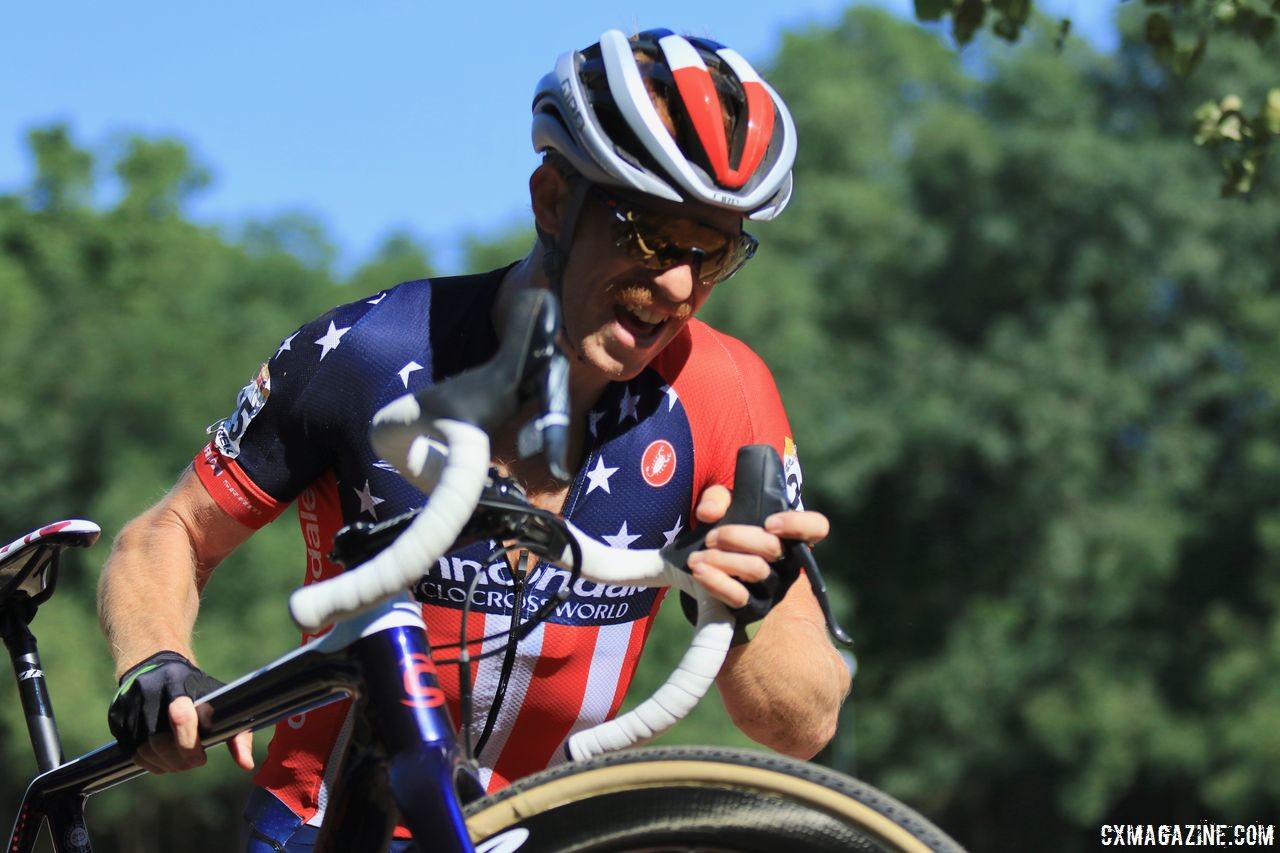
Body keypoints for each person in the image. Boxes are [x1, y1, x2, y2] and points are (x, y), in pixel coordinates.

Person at [97, 27, 852, 852]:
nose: (678, 283)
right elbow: (167, 532)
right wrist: (154, 661)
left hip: (552, 832)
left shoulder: (728, 393)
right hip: (328, 827)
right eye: (649, 234)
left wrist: (753, 604)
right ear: (554, 199)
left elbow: (802, 724)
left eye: (715, 253)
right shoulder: (369, 352)